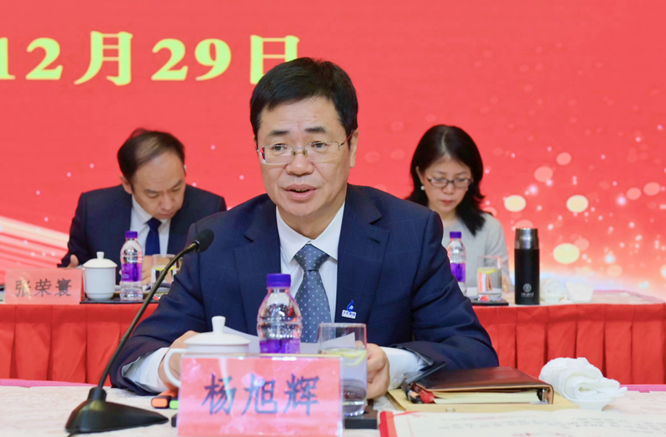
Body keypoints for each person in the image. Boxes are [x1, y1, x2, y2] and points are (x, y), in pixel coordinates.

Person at [111, 58, 498, 398]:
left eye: (318, 145)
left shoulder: (408, 234)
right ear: (258, 150)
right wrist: (174, 365)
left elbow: (473, 351)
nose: (297, 166)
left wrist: (391, 365)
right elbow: (132, 357)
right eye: (279, 147)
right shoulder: (216, 242)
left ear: (352, 146)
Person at [60, 128, 227, 283]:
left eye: (176, 189)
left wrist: (176, 266)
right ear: (127, 184)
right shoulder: (94, 210)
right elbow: (70, 271)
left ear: (184, 171)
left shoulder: (209, 209)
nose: (168, 204)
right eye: (153, 194)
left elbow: (221, 272)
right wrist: (71, 278)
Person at [407, 125, 510, 290]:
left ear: (472, 178)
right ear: (420, 175)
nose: (449, 190)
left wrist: (502, 285)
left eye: (460, 179)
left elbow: (502, 292)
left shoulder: (489, 229)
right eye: (439, 179)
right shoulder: (400, 224)